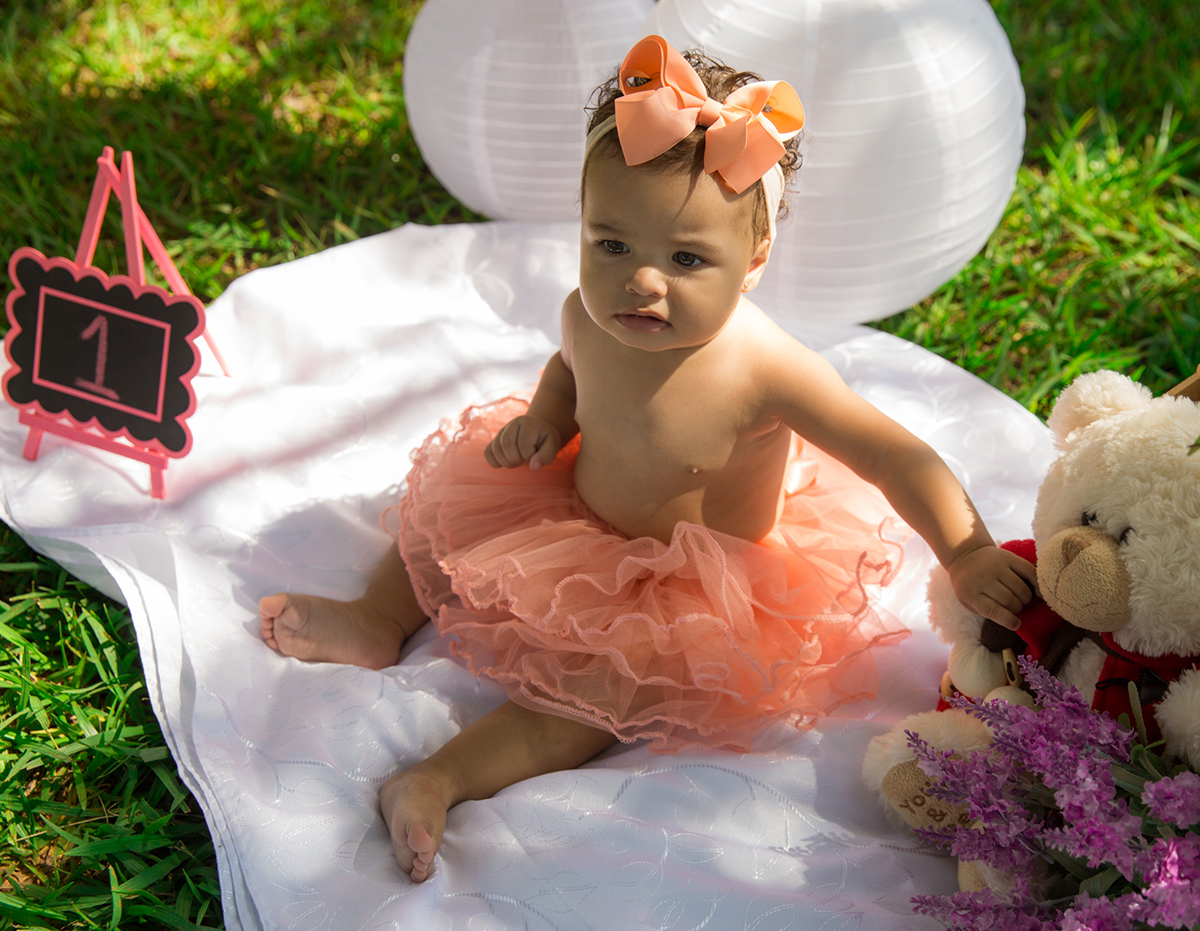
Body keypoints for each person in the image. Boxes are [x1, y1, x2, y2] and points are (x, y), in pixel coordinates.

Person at [258, 36, 1037, 883]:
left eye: (687, 259)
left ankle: (438, 778)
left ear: (755, 261)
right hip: (574, 508)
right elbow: (568, 371)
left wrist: (965, 549)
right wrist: (548, 421)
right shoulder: (586, 314)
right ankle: (376, 616)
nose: (641, 283)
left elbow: (897, 455)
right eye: (611, 244)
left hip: (689, 584)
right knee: (440, 514)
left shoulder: (767, 368)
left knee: (595, 700)